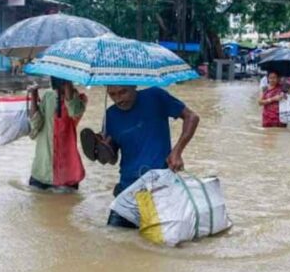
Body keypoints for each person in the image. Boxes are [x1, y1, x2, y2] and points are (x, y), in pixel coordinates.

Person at [80, 86, 200, 228]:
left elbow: (192, 117)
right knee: (114, 236)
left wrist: (177, 152)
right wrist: (103, 148)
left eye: (123, 92)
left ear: (134, 86)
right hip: (127, 189)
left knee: (161, 238)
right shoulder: (110, 115)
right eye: (112, 94)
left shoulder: (156, 96)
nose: (118, 99)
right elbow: (113, 159)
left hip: (159, 187)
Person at [27, 77, 88, 191]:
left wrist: (67, 85)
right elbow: (34, 127)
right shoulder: (48, 96)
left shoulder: (80, 99)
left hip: (67, 174)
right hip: (42, 171)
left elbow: (74, 112)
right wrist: (34, 95)